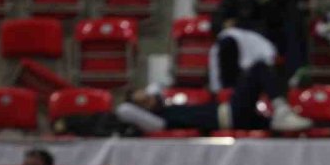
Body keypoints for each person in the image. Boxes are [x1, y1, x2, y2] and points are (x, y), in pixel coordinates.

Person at [116, 65, 311, 135]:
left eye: (148, 96)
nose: (150, 99)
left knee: (285, 129)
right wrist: (136, 100)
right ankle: (281, 109)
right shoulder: (160, 122)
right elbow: (124, 110)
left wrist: (146, 95)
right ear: (142, 112)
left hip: (235, 114)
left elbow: (156, 87)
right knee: (257, 69)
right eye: (144, 102)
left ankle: (283, 114)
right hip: (230, 116)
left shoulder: (166, 103)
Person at [212, 0, 307, 82]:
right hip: (239, 37)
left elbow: (279, 23)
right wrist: (225, 24)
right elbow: (217, 18)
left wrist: (266, 2)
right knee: (226, 43)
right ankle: (224, 89)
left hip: (266, 39)